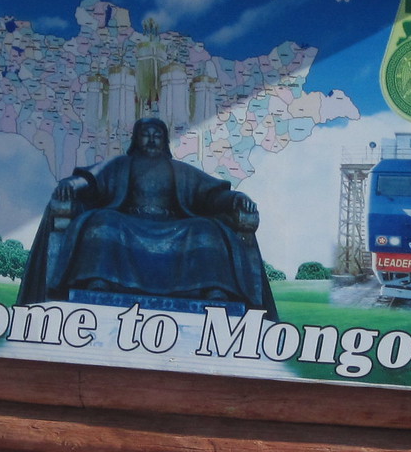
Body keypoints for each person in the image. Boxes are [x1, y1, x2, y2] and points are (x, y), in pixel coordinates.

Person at [17, 116, 278, 313]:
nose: (152, 139)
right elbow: (91, 180)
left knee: (207, 231)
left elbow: (211, 195)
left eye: (157, 135)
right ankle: (99, 281)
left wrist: (236, 199)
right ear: (136, 139)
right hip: (129, 221)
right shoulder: (120, 164)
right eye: (146, 134)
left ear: (164, 141)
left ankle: (214, 290)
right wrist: (70, 185)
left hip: (174, 226)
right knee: (103, 223)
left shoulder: (179, 170)